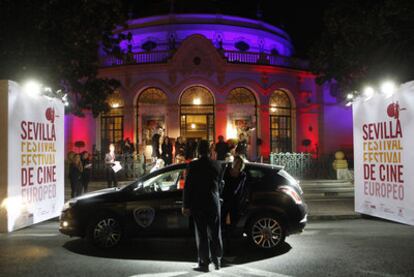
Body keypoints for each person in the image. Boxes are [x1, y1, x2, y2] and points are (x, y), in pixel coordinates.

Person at [182, 140, 223, 272]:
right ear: (209, 150)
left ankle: (204, 262)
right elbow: (220, 185)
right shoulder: (217, 165)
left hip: (198, 204)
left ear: (198, 151)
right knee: (215, 232)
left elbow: (188, 187)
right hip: (213, 202)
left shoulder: (193, 166)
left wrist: (185, 205)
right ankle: (217, 260)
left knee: (202, 234)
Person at [221, 156, 247, 242]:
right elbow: (223, 185)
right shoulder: (227, 171)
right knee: (223, 223)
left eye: (238, 163)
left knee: (232, 225)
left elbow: (239, 189)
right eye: (236, 162)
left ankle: (229, 243)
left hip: (235, 202)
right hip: (225, 200)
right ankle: (225, 242)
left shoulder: (242, 175)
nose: (236, 164)